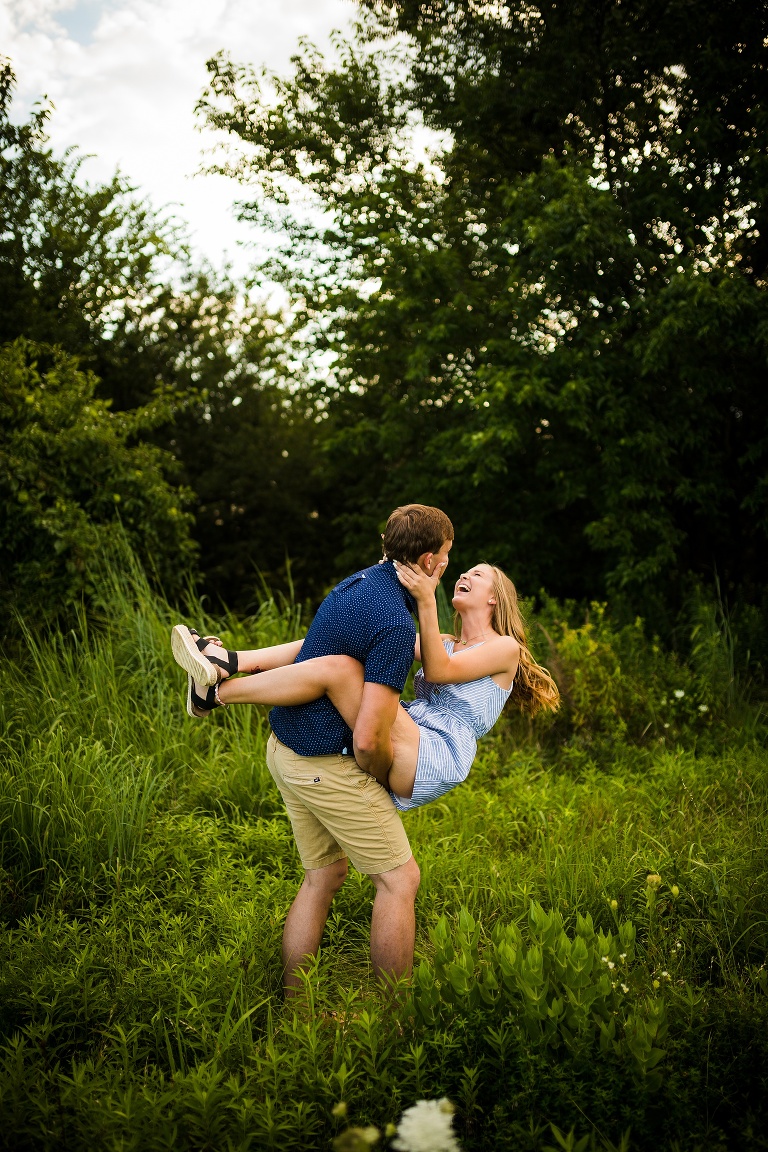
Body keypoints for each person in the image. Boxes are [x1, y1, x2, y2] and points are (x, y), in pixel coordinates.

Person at [171, 523, 559, 990]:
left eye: (476, 574)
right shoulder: (449, 641)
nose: (463, 574)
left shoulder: (503, 648)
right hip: (412, 737)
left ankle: (218, 694)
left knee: (339, 670)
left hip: (434, 751)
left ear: (496, 598)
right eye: (460, 568)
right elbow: (373, 644)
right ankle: (231, 662)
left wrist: (424, 600)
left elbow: (438, 670)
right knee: (338, 654)